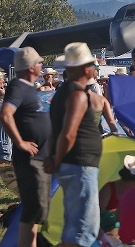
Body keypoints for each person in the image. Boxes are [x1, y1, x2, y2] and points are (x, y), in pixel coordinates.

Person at [45, 42, 105, 247]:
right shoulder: (78, 95)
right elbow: (68, 134)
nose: (94, 69)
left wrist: (54, 157)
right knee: (83, 230)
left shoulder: (62, 93)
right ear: (85, 68)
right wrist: (56, 158)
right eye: (92, 65)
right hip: (79, 163)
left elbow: (57, 130)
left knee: (75, 226)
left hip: (73, 163)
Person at [0, 47, 52, 247]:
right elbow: (5, 114)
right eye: (39, 62)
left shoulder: (30, 87)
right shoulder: (18, 86)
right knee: (33, 209)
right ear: (31, 67)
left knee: (38, 209)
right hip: (30, 159)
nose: (42, 65)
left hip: (41, 158)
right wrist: (20, 142)